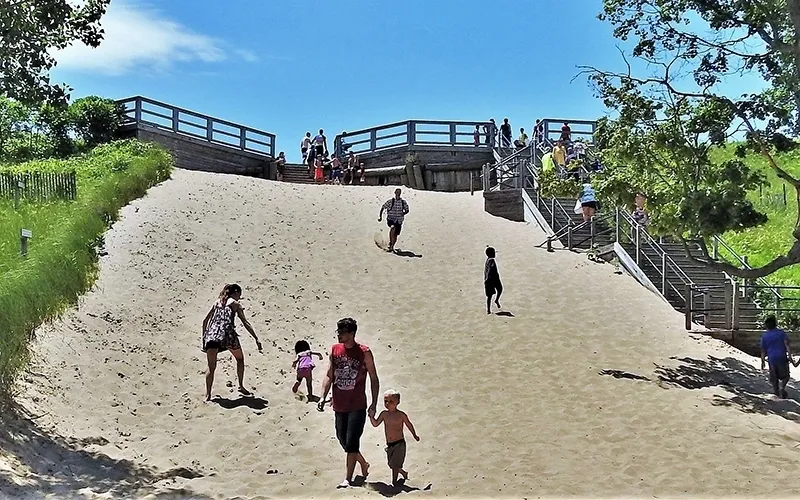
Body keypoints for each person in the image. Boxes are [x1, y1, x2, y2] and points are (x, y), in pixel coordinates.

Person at [318, 317, 380, 489]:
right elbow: (330, 375)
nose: (339, 335)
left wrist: (374, 403)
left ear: (351, 334)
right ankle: (363, 463)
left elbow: (374, 378)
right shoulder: (335, 350)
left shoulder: (364, 352)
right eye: (338, 332)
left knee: (352, 442)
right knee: (342, 439)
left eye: (342, 332)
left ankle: (348, 478)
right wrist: (323, 396)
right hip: (339, 404)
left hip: (357, 405)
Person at [201, 284, 262, 402]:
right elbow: (245, 322)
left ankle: (208, 395)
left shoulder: (217, 302)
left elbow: (205, 321)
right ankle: (241, 385)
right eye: (239, 295)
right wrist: (256, 338)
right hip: (227, 336)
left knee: (211, 367)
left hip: (212, 336)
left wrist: (204, 338)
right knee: (240, 359)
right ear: (236, 293)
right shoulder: (235, 304)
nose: (239, 298)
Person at [369, 389, 420, 485]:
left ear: (398, 402)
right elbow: (375, 424)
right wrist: (371, 417)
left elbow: (409, 424)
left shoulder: (401, 415)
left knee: (395, 465)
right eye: (385, 401)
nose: (387, 404)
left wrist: (414, 435)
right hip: (389, 444)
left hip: (399, 443)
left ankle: (394, 482)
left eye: (391, 401)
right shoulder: (384, 414)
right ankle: (403, 473)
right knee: (392, 465)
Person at [761, 316, 794, 399]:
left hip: (771, 359)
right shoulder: (781, 333)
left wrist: (763, 361)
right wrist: (789, 355)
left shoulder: (765, 336)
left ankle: (776, 393)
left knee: (774, 377)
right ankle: (782, 388)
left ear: (766, 325)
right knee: (786, 376)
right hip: (782, 357)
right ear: (775, 324)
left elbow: (763, 350)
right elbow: (787, 344)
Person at [378, 188, 410, 253]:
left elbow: (407, 210)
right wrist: (380, 216)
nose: (398, 193)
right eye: (397, 192)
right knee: (393, 228)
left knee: (395, 234)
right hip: (391, 219)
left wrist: (403, 213)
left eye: (399, 192)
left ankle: (392, 245)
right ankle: (391, 245)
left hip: (399, 220)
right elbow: (383, 207)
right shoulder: (391, 201)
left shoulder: (403, 202)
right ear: (395, 192)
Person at [484, 246, 503, 314]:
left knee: (489, 296)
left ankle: (488, 309)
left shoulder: (487, 260)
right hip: (492, 279)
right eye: (494, 252)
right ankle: (496, 300)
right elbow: (490, 269)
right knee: (499, 290)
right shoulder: (491, 260)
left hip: (490, 279)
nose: (495, 254)